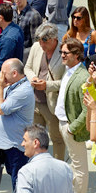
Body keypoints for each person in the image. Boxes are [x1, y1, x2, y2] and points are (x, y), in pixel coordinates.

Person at [23, 23, 66, 161]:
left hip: (52, 104)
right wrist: (33, 78)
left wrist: (47, 85)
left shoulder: (64, 52)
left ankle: (58, 166)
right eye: (39, 40)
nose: (41, 44)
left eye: (45, 41)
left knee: (57, 139)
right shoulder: (36, 47)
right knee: (35, 139)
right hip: (35, 102)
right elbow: (27, 68)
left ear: (54, 38)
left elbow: (67, 81)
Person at [55, 38, 90, 193]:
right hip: (63, 122)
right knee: (74, 168)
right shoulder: (68, 70)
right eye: (61, 52)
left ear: (76, 55)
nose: (62, 55)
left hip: (71, 127)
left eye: (65, 53)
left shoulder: (83, 77)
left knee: (80, 168)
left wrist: (72, 128)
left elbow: (87, 109)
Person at [7, 124, 74, 193]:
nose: (22, 144)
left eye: (25, 140)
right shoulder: (65, 167)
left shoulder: (26, 172)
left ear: (35, 143)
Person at [0, 58, 35, 191]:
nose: (0, 77)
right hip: (7, 143)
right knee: (13, 176)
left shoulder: (23, 90)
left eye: (3, 73)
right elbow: (0, 104)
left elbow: (0, 109)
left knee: (18, 181)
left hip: (16, 146)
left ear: (15, 73)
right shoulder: (14, 85)